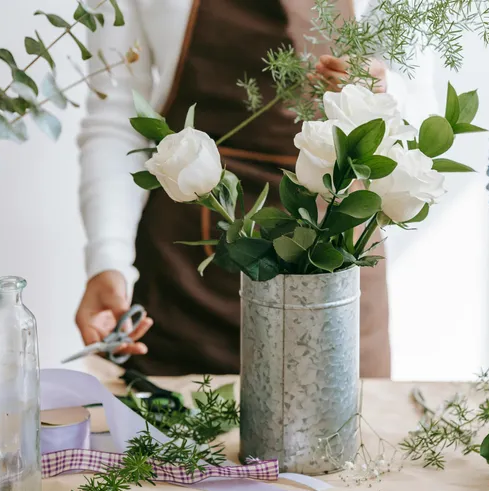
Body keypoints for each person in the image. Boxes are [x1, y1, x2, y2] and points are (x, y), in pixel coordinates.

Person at [75, 0, 436, 378]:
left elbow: (423, 109)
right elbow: (116, 117)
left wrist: (383, 95)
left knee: (349, 429)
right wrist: (107, 262)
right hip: (187, 279)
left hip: (339, 262)